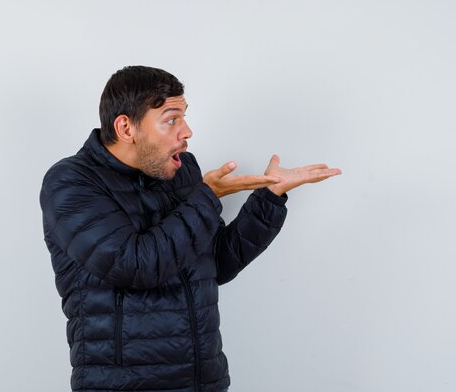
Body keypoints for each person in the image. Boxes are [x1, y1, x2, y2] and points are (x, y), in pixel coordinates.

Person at [39, 66, 341, 392]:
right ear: (126, 127)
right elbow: (135, 265)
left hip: (204, 381)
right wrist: (207, 197)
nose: (187, 131)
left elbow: (216, 264)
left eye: (184, 117)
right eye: (171, 119)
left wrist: (270, 197)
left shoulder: (182, 173)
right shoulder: (71, 183)